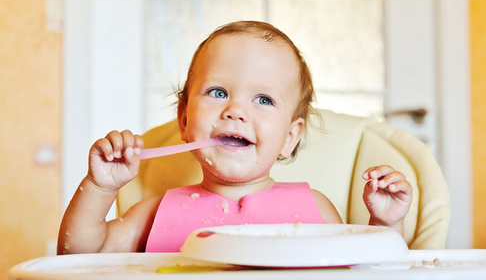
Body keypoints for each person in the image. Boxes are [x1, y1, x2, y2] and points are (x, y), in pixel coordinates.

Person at [57, 21, 412, 254]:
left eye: (263, 100)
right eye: (217, 92)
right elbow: (77, 259)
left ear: (290, 137)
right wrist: (101, 187)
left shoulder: (314, 210)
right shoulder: (154, 213)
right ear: (184, 119)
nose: (236, 111)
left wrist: (386, 224)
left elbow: (370, 271)